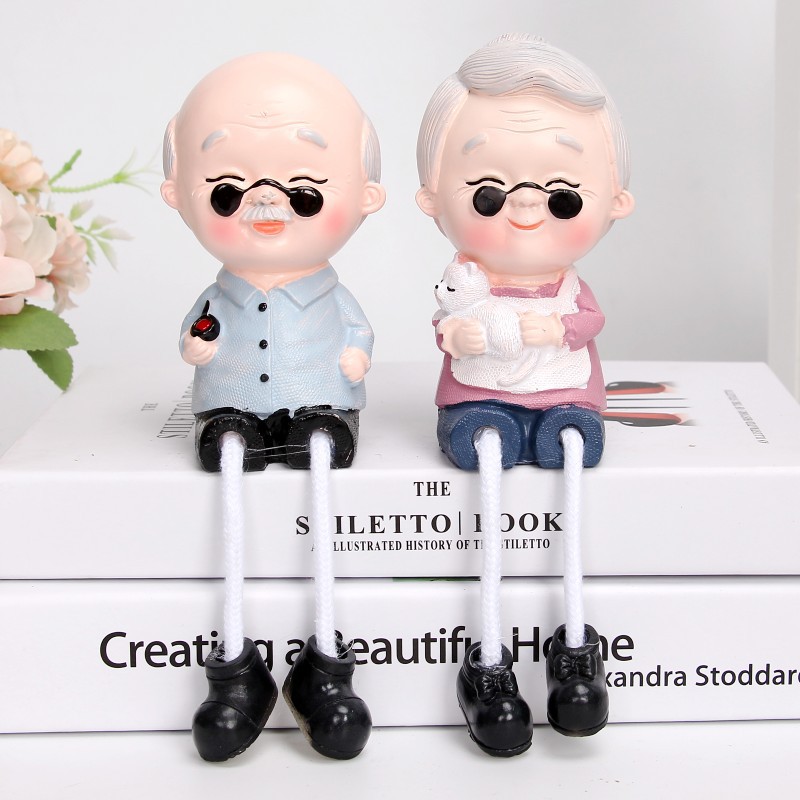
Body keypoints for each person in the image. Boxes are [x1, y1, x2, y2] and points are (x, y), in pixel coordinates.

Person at [162, 52, 385, 762]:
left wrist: (356, 357)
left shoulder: (330, 296)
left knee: (320, 446)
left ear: (366, 195)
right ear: (178, 193)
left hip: (319, 397)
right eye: (228, 190)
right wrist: (197, 347)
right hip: (230, 401)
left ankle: (325, 664)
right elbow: (197, 334)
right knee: (230, 449)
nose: (266, 203)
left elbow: (357, 330)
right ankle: (236, 668)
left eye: (305, 191)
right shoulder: (217, 296)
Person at [416, 33, 634, 756]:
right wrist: (458, 335)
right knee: (488, 448)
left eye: (562, 194)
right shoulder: (463, 283)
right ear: (431, 198)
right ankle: (487, 663)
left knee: (570, 444)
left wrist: (560, 326)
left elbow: (591, 321)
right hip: (480, 398)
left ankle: (574, 651)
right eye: (489, 192)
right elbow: (444, 327)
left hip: (563, 393)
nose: (526, 211)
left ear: (616, 201)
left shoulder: (569, 286)